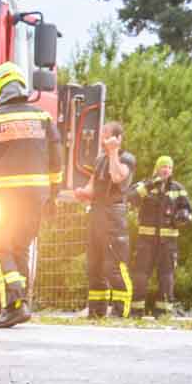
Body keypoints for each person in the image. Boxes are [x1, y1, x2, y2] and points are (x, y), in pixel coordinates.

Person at [0, 62, 63, 328]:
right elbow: (57, 160)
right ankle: (20, 304)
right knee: (21, 247)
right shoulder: (43, 117)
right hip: (36, 196)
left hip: (4, 197)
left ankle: (15, 304)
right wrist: (53, 194)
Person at [74, 122, 136, 318]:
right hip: (97, 213)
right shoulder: (100, 159)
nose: (103, 139)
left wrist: (113, 152)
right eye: (103, 135)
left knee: (114, 266)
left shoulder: (126, 159)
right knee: (95, 265)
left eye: (107, 135)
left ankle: (121, 310)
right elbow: (92, 187)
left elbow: (117, 177)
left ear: (118, 138)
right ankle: (96, 310)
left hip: (114, 216)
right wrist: (82, 193)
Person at [129, 155, 192, 317]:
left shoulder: (178, 188)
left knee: (166, 276)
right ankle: (136, 310)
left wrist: (184, 215)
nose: (166, 170)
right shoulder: (146, 185)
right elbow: (131, 198)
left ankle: (163, 312)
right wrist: (151, 184)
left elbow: (188, 209)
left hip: (168, 241)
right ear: (157, 169)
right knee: (140, 275)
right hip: (146, 240)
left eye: (169, 167)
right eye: (163, 167)